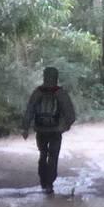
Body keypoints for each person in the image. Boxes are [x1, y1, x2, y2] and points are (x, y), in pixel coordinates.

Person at [22, 66, 76, 194]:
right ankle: (49, 184)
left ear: (44, 77)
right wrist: (65, 126)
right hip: (55, 131)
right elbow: (70, 113)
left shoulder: (38, 92)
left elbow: (29, 110)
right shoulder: (60, 93)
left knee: (43, 154)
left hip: (40, 130)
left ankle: (43, 180)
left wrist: (25, 127)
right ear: (56, 77)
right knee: (53, 156)